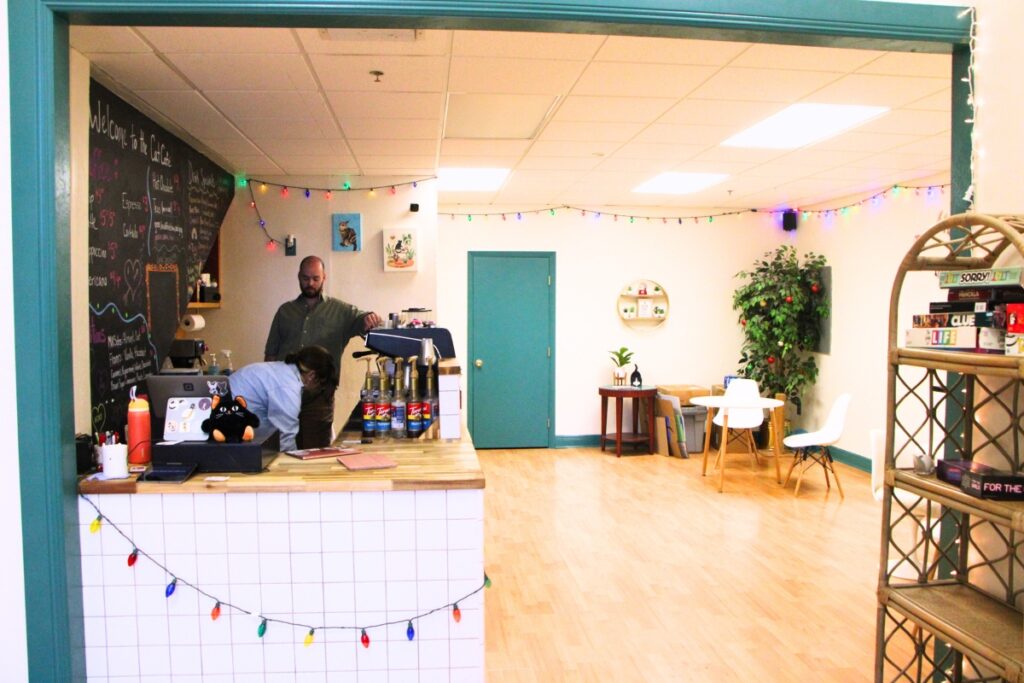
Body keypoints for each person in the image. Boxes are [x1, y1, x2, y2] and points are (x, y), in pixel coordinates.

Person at [264, 255, 381, 443]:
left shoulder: (340, 311)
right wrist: (268, 389)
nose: (310, 283)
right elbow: (271, 354)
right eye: (305, 278)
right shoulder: (284, 312)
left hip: (319, 395)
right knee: (280, 448)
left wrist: (370, 317)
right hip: (283, 393)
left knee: (317, 450)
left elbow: (362, 319)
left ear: (324, 277)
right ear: (298, 277)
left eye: (315, 278)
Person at [227, 345, 338, 452]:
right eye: (320, 385)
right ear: (312, 376)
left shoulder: (281, 369)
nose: (318, 390)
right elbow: (285, 439)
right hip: (232, 418)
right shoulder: (288, 388)